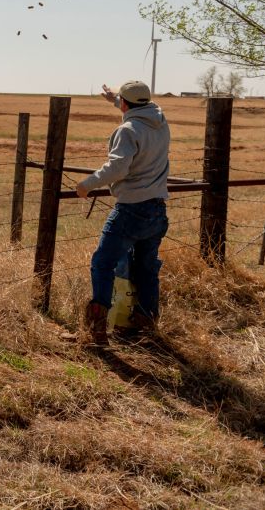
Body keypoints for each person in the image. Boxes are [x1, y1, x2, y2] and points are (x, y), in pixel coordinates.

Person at [74, 80, 170, 345]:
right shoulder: (160, 121)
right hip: (157, 210)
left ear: (126, 105)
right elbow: (138, 108)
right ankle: (145, 326)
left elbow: (118, 168)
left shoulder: (127, 130)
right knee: (146, 269)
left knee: (103, 263)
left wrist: (87, 185)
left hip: (131, 210)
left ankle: (96, 332)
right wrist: (113, 99)